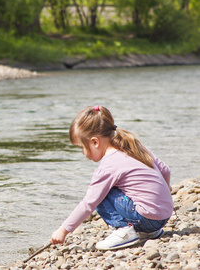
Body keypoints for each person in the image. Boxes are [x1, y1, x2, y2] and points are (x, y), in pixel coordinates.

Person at [50, 105, 173, 250]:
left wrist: (63, 230)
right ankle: (149, 232)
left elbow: (89, 203)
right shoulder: (132, 146)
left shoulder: (108, 166)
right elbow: (165, 169)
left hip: (146, 218)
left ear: (95, 142)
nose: (83, 153)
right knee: (111, 187)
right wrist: (162, 194)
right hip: (164, 215)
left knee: (100, 193)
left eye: (81, 147)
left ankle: (124, 231)